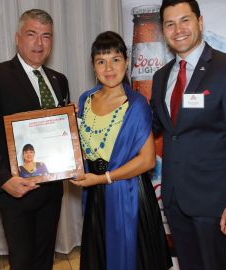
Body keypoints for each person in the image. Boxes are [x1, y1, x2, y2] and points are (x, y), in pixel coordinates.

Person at [150, 1, 226, 269]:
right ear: (163, 29)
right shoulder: (161, 77)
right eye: (169, 23)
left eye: (185, 20)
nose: (178, 30)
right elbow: (154, 126)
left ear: (200, 21)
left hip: (213, 201)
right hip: (174, 198)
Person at [0, 9, 70, 270]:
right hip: (17, 191)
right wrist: (4, 181)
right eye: (32, 34)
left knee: (44, 259)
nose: (39, 43)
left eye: (46, 36)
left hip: (52, 189)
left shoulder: (59, 80)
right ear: (18, 38)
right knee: (23, 262)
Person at [71, 31, 172, 270]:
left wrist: (104, 178)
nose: (109, 68)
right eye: (101, 61)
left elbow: (147, 161)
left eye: (115, 59)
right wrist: (67, 122)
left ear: (126, 62)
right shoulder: (85, 100)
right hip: (96, 193)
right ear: (93, 67)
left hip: (128, 194)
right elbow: (85, 145)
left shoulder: (136, 104)